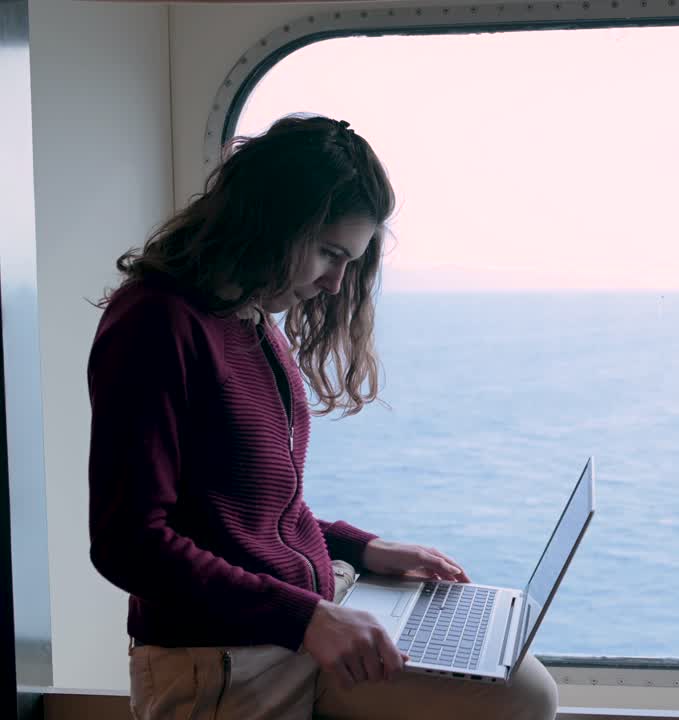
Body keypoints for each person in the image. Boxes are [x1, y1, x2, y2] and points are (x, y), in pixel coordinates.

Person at [87, 115, 559, 719]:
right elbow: (129, 543)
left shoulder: (252, 320)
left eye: (351, 261)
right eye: (330, 253)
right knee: (520, 699)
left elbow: (254, 511)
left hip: (290, 621)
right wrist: (308, 619)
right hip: (223, 657)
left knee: (519, 685)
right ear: (270, 222)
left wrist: (365, 550)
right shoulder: (157, 324)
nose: (337, 284)